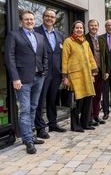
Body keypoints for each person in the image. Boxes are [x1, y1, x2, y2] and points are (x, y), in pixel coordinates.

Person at [5, 10, 47, 154]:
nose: (30, 21)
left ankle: (31, 135)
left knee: (34, 108)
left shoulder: (40, 36)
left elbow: (44, 56)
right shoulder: (14, 35)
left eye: (31, 19)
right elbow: (9, 57)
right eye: (26, 19)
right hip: (22, 79)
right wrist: (15, 77)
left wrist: (44, 72)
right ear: (21, 21)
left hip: (39, 77)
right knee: (24, 110)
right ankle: (28, 140)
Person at [34, 8, 66, 139]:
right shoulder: (36, 32)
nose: (49, 19)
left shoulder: (60, 35)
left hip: (56, 73)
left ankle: (53, 123)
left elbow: (62, 55)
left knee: (52, 99)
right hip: (42, 72)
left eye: (52, 17)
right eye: (47, 16)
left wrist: (63, 73)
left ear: (55, 19)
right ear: (43, 17)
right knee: (40, 101)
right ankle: (40, 128)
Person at [62, 20, 98, 132]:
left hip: (86, 76)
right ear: (73, 29)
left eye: (81, 28)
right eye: (77, 28)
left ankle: (85, 123)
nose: (79, 30)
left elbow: (91, 58)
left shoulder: (85, 42)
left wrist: (93, 73)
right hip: (75, 77)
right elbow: (64, 60)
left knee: (87, 100)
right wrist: (65, 77)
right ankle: (75, 126)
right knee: (77, 102)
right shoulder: (68, 41)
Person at [85, 19, 109, 126]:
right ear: (88, 27)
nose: (93, 27)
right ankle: (89, 117)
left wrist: (107, 71)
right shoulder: (84, 39)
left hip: (100, 71)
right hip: (90, 72)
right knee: (90, 95)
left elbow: (106, 57)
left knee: (98, 95)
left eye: (95, 25)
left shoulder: (102, 39)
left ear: (98, 27)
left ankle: (96, 115)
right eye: (91, 25)